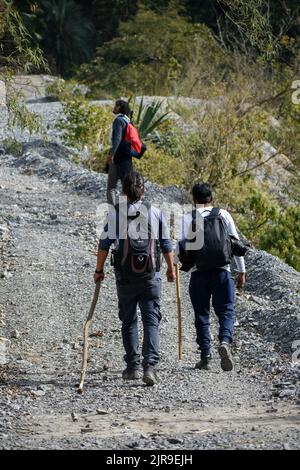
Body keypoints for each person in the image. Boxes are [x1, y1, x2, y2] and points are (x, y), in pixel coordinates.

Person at [95, 171, 176, 386]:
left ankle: (132, 367)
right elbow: (166, 244)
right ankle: (150, 366)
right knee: (151, 320)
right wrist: (170, 269)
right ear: (143, 190)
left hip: (125, 277)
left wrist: (99, 270)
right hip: (151, 276)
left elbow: (104, 245)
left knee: (129, 320)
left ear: (123, 190)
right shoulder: (156, 213)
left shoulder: (115, 214)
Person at [176, 183, 246, 372]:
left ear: (194, 200)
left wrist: (175, 265)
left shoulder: (187, 218)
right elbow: (235, 244)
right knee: (226, 311)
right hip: (222, 272)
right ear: (211, 198)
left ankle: (205, 356)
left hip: (198, 275)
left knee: (201, 314)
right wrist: (242, 271)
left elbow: (180, 248)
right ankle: (224, 340)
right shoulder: (223, 215)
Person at [106, 99, 134, 207]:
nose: (114, 107)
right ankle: (126, 210)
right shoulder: (128, 121)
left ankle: (113, 212)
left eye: (116, 106)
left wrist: (111, 155)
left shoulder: (118, 121)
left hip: (117, 157)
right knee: (126, 185)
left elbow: (117, 139)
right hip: (127, 157)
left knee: (111, 187)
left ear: (120, 108)